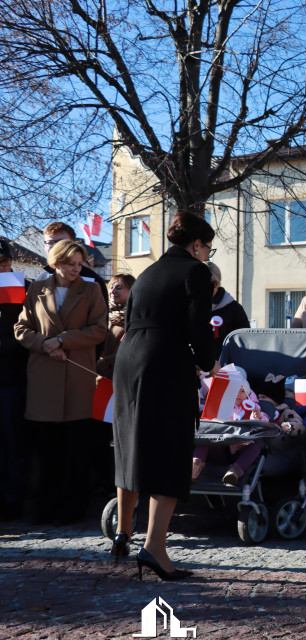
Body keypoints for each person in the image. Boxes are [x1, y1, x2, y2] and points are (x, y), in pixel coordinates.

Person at [112, 211, 218, 580]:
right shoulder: (196, 272)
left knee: (130, 443)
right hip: (164, 359)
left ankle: (123, 532)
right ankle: (155, 548)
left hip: (128, 359)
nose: (208, 254)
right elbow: (198, 326)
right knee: (170, 449)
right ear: (197, 244)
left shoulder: (147, 273)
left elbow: (126, 323)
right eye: (208, 248)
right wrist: (208, 362)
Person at [14, 239, 107, 524]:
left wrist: (63, 341)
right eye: (70, 263)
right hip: (44, 378)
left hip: (78, 376)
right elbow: (21, 328)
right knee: (47, 451)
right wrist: (45, 344)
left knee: (75, 451)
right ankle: (45, 510)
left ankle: (72, 511)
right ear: (56, 262)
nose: (76, 269)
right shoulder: (36, 289)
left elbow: (99, 329)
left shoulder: (91, 290)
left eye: (79, 264)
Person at [0, 238, 29, 519]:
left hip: (12, 378)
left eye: (5, 263)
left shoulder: (21, 288)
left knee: (13, 442)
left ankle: (13, 500)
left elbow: (25, 334)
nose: (4, 267)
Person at [192, 379, 269, 485]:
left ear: (247, 395)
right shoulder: (220, 406)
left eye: (242, 391)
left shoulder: (253, 408)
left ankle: (234, 472)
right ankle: (195, 466)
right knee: (204, 440)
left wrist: (257, 416)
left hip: (240, 451)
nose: (238, 394)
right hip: (221, 448)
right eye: (234, 391)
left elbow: (264, 421)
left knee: (255, 448)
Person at [41, 222, 106, 292]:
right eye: (50, 242)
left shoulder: (93, 281)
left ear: (73, 244)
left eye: (62, 242)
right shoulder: (41, 279)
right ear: (45, 247)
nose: (55, 246)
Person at [208, 262, 250, 359]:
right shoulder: (190, 306)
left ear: (217, 284)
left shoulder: (234, 309)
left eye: (211, 284)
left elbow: (245, 342)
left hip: (225, 366)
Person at [97, 274, 135, 379]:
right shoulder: (103, 313)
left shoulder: (135, 317)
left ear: (132, 290)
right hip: (98, 374)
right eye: (111, 287)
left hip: (121, 375)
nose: (112, 291)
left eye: (119, 288)